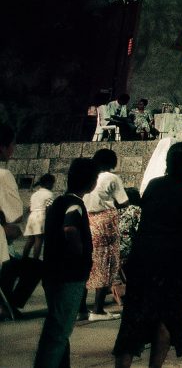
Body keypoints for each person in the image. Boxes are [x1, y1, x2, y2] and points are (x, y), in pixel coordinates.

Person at [112, 141, 182, 368]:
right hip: (175, 263)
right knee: (168, 318)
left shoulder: (154, 186)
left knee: (133, 319)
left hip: (145, 260)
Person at [33, 158, 99, 368]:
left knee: (56, 327)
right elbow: (70, 228)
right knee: (59, 331)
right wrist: (80, 255)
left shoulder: (57, 202)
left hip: (52, 272)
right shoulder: (75, 205)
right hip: (69, 275)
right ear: (91, 182)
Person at [84, 147, 129, 321]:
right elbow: (123, 201)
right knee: (106, 263)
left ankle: (82, 308)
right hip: (105, 220)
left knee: (89, 262)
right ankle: (98, 309)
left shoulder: (90, 176)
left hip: (88, 220)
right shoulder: (111, 178)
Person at [22, 173, 55, 259]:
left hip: (32, 216)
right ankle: (35, 259)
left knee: (30, 239)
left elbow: (30, 208)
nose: (53, 185)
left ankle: (24, 258)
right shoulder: (49, 194)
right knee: (39, 239)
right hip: (41, 216)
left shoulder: (35, 194)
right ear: (48, 183)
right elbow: (49, 208)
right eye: (52, 183)